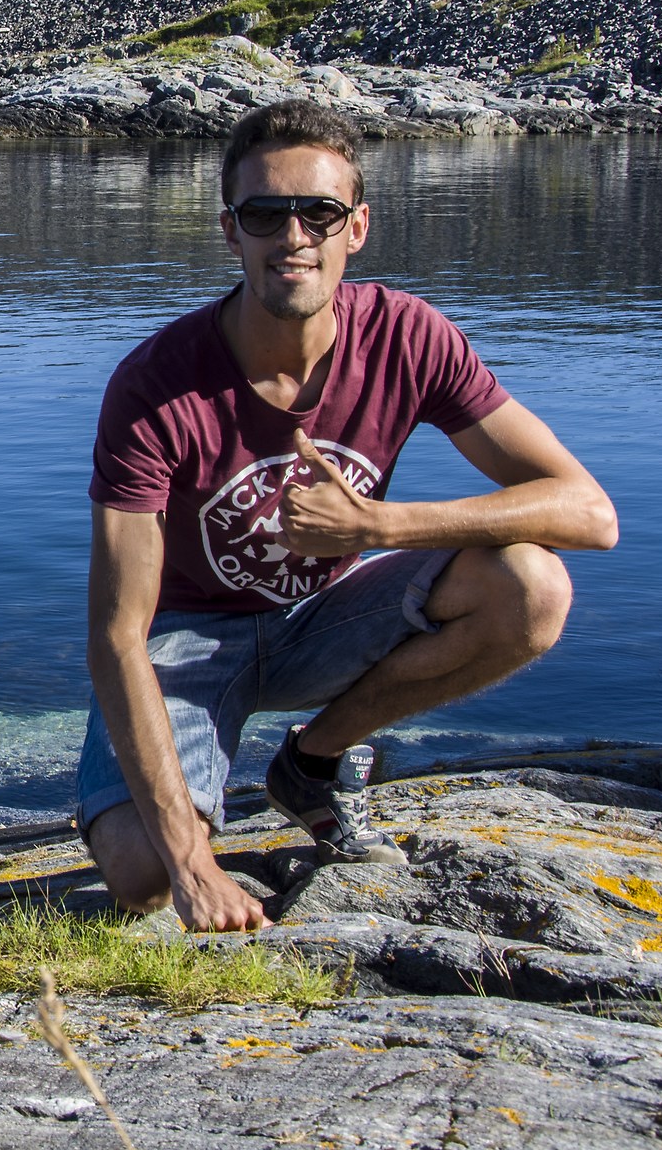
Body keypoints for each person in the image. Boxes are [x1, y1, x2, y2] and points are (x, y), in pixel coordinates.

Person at [75, 100, 618, 931]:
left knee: (530, 587)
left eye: (319, 213)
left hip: (326, 616)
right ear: (231, 232)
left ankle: (314, 763)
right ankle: (167, 817)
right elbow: (117, 635)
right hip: (187, 638)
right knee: (143, 877)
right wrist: (192, 865)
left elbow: (589, 513)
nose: (293, 236)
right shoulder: (155, 386)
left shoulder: (408, 337)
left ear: (356, 227)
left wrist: (378, 528)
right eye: (265, 214)